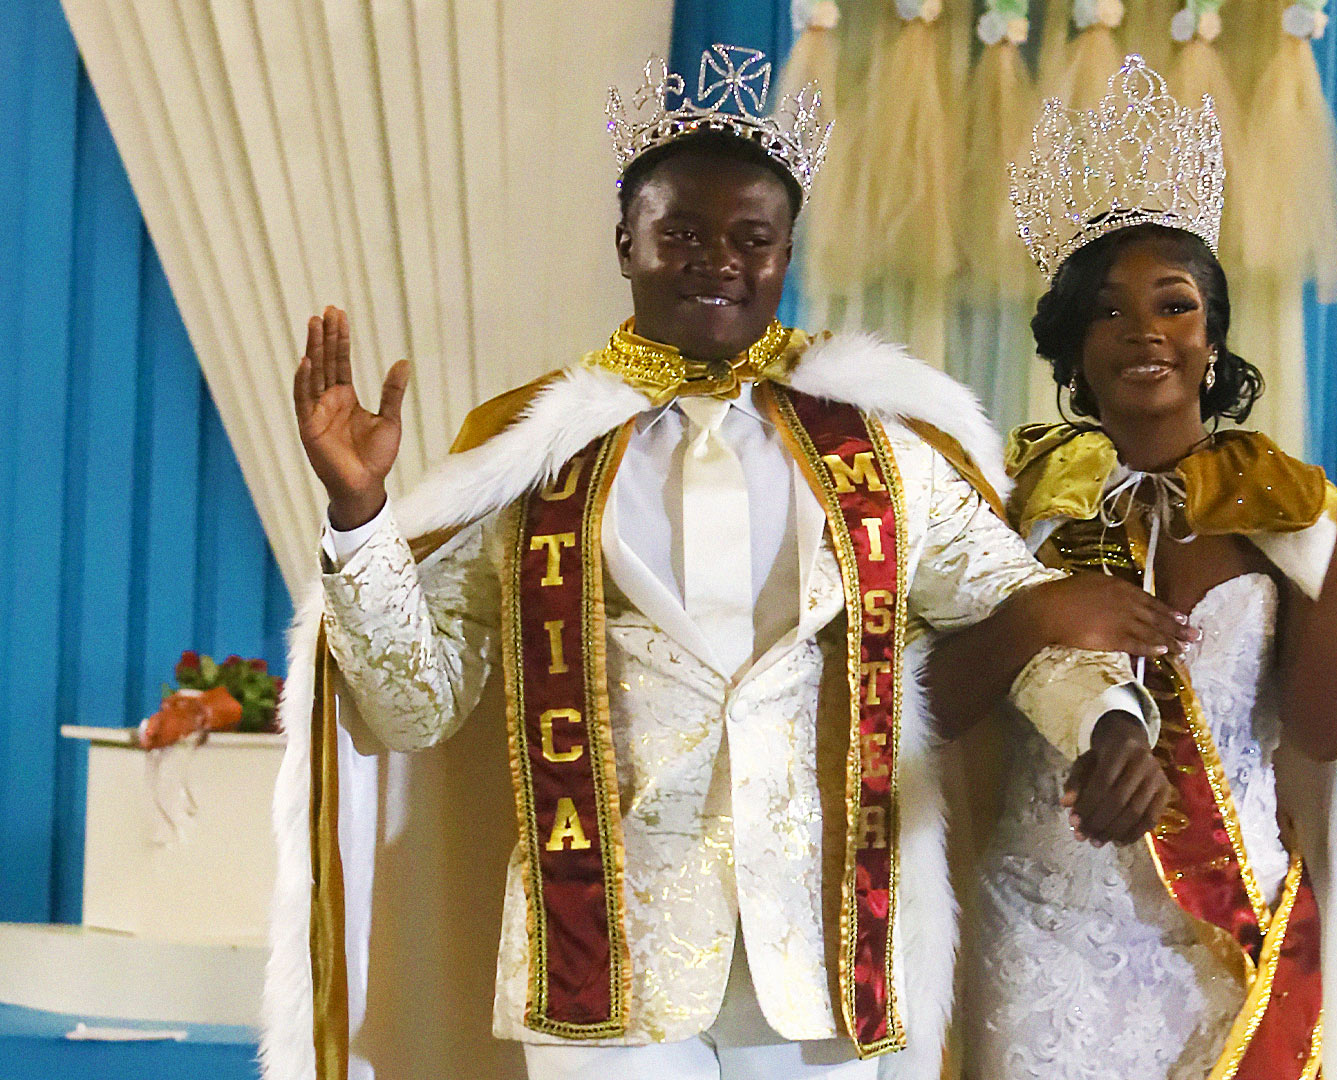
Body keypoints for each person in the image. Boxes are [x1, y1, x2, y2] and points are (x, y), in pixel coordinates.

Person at [262, 45, 1178, 1080]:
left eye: (753, 238)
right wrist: (359, 511)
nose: (720, 261)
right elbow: (413, 707)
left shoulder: (878, 453)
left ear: (788, 254)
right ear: (625, 241)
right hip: (601, 955)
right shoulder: (533, 455)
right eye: (682, 233)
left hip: (826, 950)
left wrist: (1108, 723)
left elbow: (1027, 619)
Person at [932, 56, 1337, 1080]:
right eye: (1108, 309)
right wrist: (1037, 615)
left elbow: (1327, 732)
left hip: (1225, 941)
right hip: (1039, 933)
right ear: (1072, 341)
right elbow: (928, 707)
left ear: (1213, 334)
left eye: (1176, 303)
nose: (1145, 329)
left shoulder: (1280, 504)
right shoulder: (1010, 501)